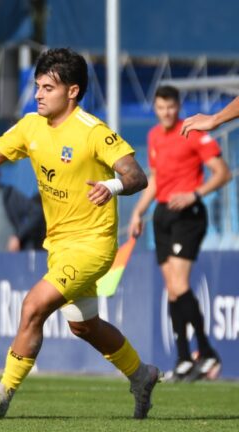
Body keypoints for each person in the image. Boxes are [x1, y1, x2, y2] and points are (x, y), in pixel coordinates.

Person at [0, 48, 159, 419]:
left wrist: (112, 187)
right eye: (37, 86)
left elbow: (136, 176)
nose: (38, 94)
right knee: (84, 325)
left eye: (48, 87)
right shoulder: (30, 126)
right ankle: (141, 374)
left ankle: (1, 395)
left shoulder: (92, 131)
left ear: (72, 91)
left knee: (33, 306)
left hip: (92, 245)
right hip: (59, 245)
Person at [128, 85, 230, 381]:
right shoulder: (154, 136)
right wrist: (139, 210)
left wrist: (194, 195)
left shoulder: (195, 131)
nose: (166, 113)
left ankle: (208, 352)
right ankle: (185, 357)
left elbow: (223, 172)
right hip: (162, 215)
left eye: (171, 107)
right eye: (160, 108)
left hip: (188, 215)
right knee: (172, 289)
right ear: (156, 108)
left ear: (178, 105)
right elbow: (157, 178)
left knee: (179, 283)